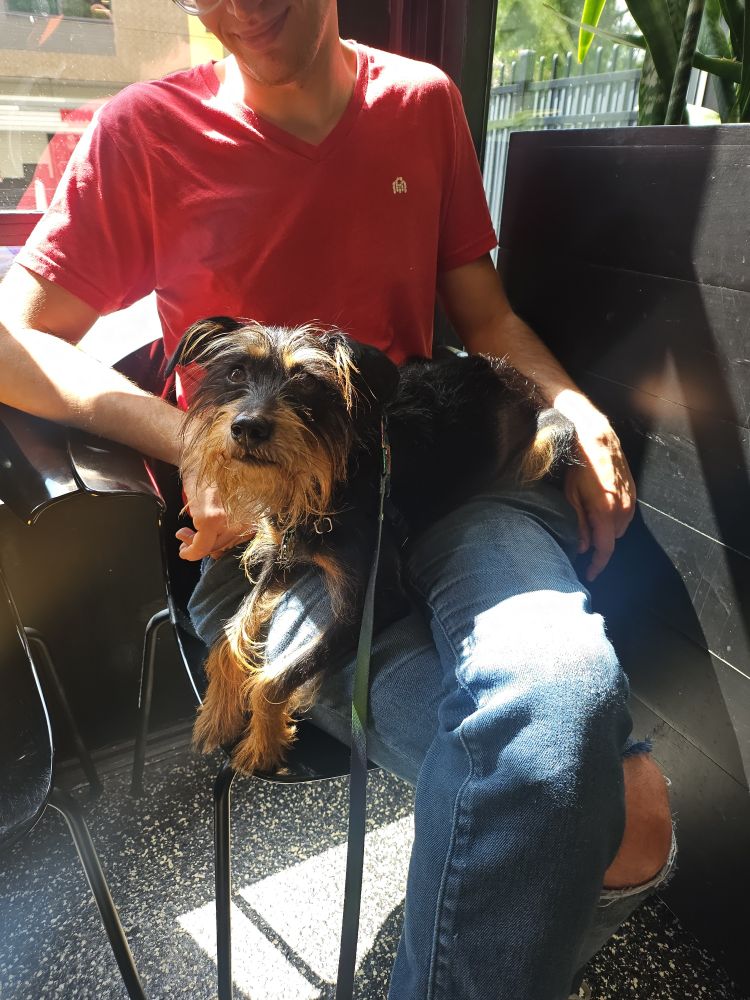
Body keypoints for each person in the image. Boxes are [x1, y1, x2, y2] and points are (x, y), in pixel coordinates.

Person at [0, 1, 674, 997]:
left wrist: (570, 403)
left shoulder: (422, 100)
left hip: (440, 488)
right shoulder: (143, 131)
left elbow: (480, 311)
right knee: (558, 789)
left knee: (589, 761)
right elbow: (13, 338)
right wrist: (191, 443)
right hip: (277, 542)